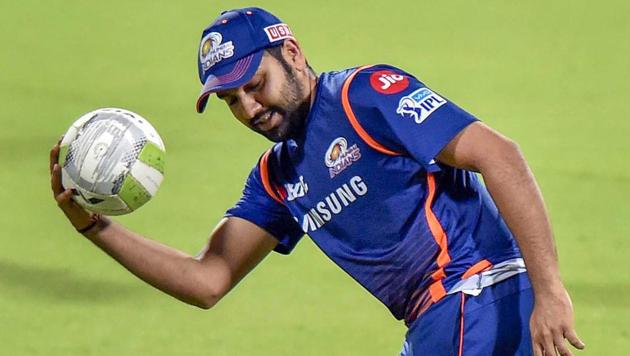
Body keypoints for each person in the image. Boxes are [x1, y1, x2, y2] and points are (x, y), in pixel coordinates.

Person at [50, 7, 584, 356]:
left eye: (254, 85)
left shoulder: (366, 96)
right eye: (231, 101)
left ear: (293, 54)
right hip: (437, 326)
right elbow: (207, 280)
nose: (249, 108)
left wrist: (551, 290)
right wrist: (94, 229)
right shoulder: (277, 177)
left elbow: (501, 156)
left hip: (480, 299)